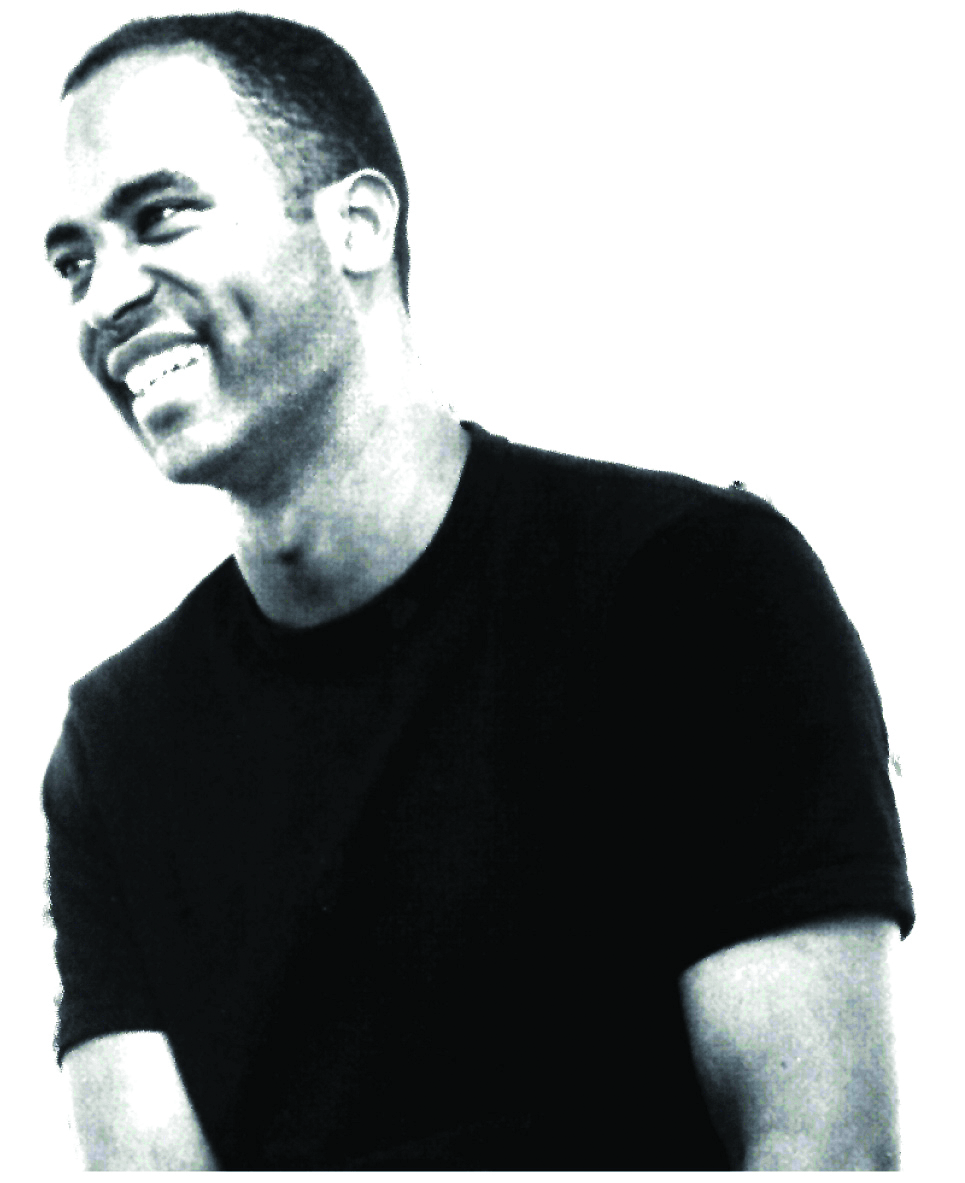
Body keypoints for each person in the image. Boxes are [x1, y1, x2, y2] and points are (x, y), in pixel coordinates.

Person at [42, 12, 914, 1171]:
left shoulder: (695, 593)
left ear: (356, 225)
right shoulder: (117, 748)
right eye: (73, 261)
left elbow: (821, 1156)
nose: (102, 297)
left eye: (160, 216)